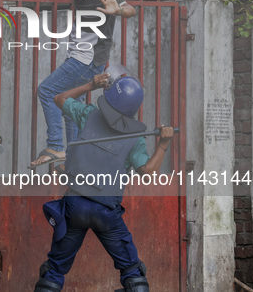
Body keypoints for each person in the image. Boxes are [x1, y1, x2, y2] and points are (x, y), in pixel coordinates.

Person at [33, 73, 174, 292]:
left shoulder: (88, 114)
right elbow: (147, 172)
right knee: (134, 274)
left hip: (74, 206)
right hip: (106, 211)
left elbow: (59, 98)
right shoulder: (136, 138)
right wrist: (163, 143)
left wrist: (91, 84)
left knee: (53, 270)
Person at [32, 0, 136, 167]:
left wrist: (117, 9)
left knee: (47, 90)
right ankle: (74, 159)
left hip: (85, 60)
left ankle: (56, 146)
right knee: (72, 106)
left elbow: (130, 10)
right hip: (86, 57)